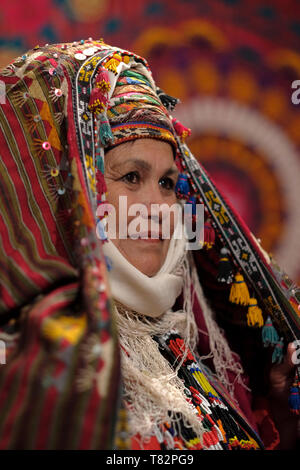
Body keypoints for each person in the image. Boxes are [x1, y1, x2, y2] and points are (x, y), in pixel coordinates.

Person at [0, 38, 299, 450]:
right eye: (130, 177)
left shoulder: (191, 352)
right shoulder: (29, 362)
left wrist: (284, 416)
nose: (159, 208)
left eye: (167, 183)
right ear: (60, 192)